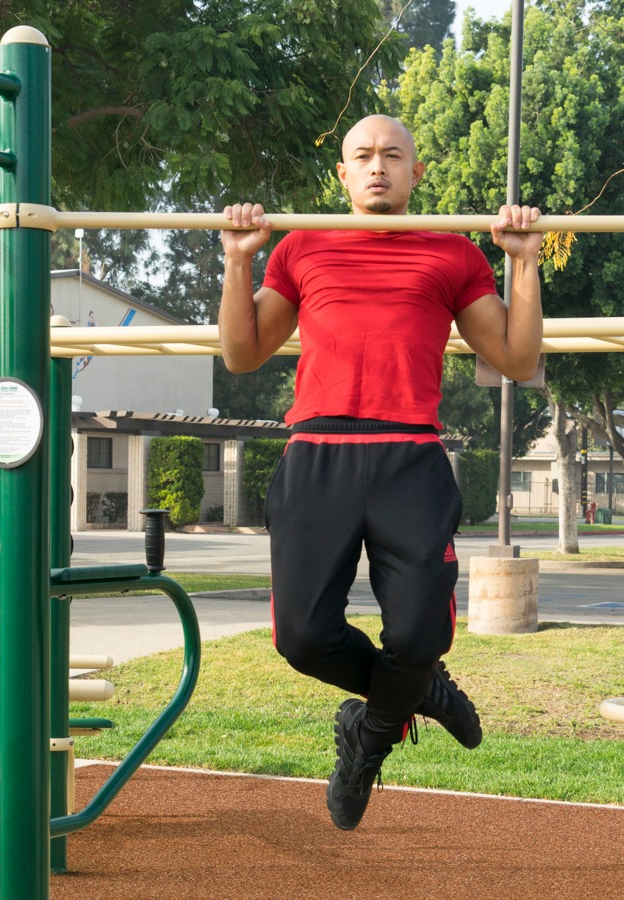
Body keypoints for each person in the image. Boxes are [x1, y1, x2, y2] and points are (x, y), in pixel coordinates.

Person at [219, 114, 543, 830]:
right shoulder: (303, 246)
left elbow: (519, 362)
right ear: (342, 175)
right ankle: (420, 692)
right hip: (318, 454)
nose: (377, 167)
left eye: (392, 156)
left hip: (409, 457)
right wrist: (238, 259)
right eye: (362, 156)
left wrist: (524, 262)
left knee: (419, 637)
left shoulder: (453, 253)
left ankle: (368, 735)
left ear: (415, 173)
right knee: (302, 638)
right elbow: (243, 355)